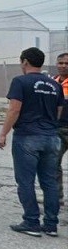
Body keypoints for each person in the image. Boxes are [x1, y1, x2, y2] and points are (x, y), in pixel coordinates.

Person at [0, 47, 63, 237]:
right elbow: (58, 111)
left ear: (24, 62)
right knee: (49, 181)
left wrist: (3, 134)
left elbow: (14, 110)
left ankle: (31, 221)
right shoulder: (54, 84)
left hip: (27, 137)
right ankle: (50, 224)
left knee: (25, 181)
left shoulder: (20, 81)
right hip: (51, 137)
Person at [53, 52, 68, 207]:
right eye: (61, 63)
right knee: (53, 163)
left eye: (66, 63)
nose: (63, 66)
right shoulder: (53, 83)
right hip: (58, 129)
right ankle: (57, 197)